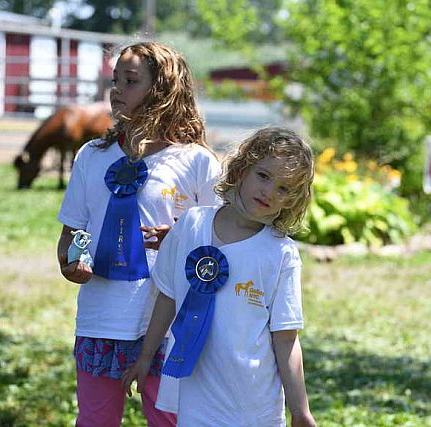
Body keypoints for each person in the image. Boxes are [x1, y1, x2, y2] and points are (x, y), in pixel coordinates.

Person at [56, 41, 220, 427]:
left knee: (169, 421)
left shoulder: (196, 162)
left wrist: (182, 242)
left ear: (163, 91)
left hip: (168, 327)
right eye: (114, 80)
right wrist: (71, 261)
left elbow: (220, 241)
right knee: (94, 420)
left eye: (130, 81)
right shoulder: (91, 157)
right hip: (100, 321)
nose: (116, 91)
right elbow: (72, 233)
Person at [122, 127, 317, 426]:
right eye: (263, 176)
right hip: (196, 395)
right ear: (242, 169)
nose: (269, 191)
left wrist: (300, 409)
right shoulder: (191, 223)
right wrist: (146, 356)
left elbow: (286, 338)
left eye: (284, 189)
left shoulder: (281, 254)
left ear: (292, 200)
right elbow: (168, 296)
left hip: (254, 406)